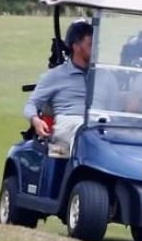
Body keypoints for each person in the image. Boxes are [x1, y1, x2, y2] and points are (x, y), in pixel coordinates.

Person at [23, 20, 94, 149]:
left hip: (99, 124)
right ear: (76, 46)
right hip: (69, 123)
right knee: (82, 133)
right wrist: (36, 120)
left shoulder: (105, 76)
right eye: (90, 45)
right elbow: (31, 104)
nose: (96, 49)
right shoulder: (55, 76)